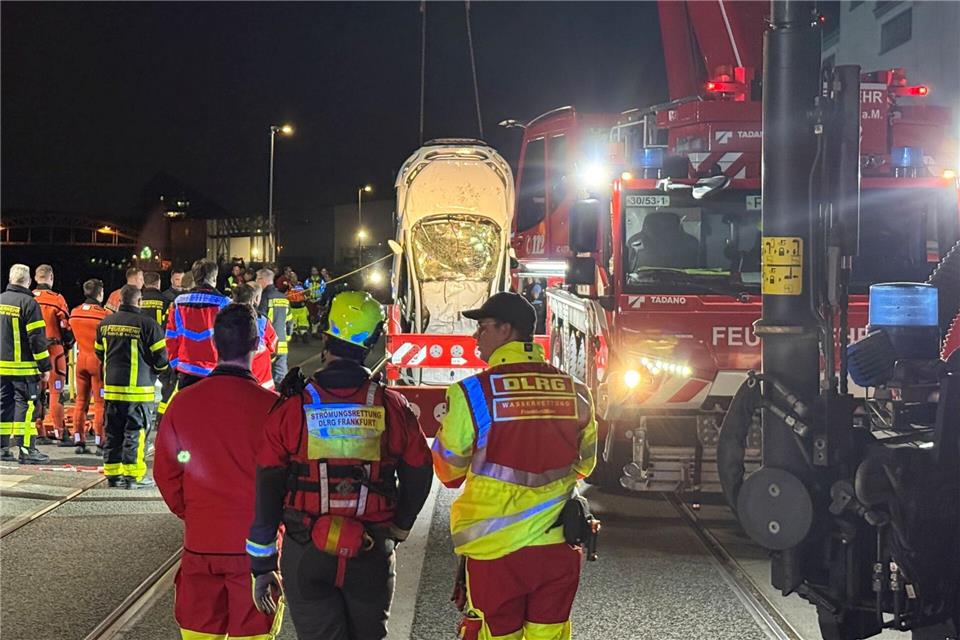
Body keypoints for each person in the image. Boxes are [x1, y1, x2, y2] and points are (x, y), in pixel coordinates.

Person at [247, 290, 433, 640]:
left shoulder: (292, 409)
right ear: (373, 340)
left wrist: (262, 565)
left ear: (326, 334)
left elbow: (267, 485)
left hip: (306, 551)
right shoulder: (394, 408)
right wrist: (399, 529)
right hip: (370, 549)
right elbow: (420, 471)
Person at [432, 291, 597, 640]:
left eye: (483, 327)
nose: (476, 336)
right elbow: (585, 465)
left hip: (495, 550)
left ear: (506, 330)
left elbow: (448, 473)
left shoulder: (471, 393)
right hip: (557, 546)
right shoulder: (575, 391)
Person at [155, 304, 283, 640]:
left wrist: (197, 513)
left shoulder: (181, 404)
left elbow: (166, 474)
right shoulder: (274, 408)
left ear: (214, 343)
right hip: (256, 552)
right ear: (257, 346)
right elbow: (292, 480)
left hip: (201, 545)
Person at [97, 285, 168, 488]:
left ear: (119, 302)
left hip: (112, 389)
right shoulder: (148, 325)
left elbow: (99, 352)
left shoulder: (105, 324)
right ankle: (134, 476)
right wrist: (156, 371)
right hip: (139, 391)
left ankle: (113, 474)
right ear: (139, 302)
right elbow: (162, 360)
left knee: (113, 431)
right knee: (136, 432)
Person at [1, 264, 52, 464]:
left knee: (3, 406)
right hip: (23, 369)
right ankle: (26, 449)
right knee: (26, 407)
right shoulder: (29, 304)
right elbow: (37, 339)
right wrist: (45, 366)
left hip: (1, 368)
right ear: (28, 281)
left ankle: (3, 448)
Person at [165, 259, 230, 389]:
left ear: (194, 278)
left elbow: (171, 338)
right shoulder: (225, 304)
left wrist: (176, 366)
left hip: (186, 372)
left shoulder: (178, 303)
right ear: (214, 278)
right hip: (216, 372)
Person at [32, 264, 74, 445]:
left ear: (35, 278)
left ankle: (38, 432)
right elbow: (66, 327)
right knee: (56, 392)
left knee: (36, 393)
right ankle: (60, 432)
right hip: (54, 352)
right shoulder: (57, 300)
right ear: (51, 278)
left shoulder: (28, 298)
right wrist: (68, 344)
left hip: (32, 352)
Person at [69, 279, 110, 454]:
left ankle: (78, 439)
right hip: (98, 363)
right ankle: (100, 441)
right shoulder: (104, 315)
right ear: (100, 294)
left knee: (80, 401)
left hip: (81, 361)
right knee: (100, 403)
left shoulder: (75, 312)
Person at [233, 282, 278, 389]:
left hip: (236, 378)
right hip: (261, 380)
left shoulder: (224, 319)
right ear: (253, 299)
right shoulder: (262, 321)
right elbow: (274, 346)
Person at [256, 268, 289, 385]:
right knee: (281, 377)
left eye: (257, 278)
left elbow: (260, 320)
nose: (256, 281)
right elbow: (289, 320)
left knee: (265, 378)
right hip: (282, 342)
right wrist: (287, 337)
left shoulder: (264, 297)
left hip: (268, 342)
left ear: (262, 279)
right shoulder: (283, 297)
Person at [286, 272, 310, 343]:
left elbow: (308, 293)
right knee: (293, 324)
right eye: (292, 277)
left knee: (303, 323)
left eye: (295, 276)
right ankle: (294, 335)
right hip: (292, 307)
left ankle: (304, 334)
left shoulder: (301, 285)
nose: (294, 278)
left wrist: (307, 294)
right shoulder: (287, 286)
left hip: (301, 307)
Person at [304, 266, 327, 337]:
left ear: (317, 272)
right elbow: (305, 290)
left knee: (318, 316)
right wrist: (307, 298)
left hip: (318, 300)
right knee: (310, 315)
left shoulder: (321, 281)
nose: (314, 272)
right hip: (310, 301)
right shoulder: (308, 280)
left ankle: (316, 331)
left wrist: (321, 299)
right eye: (312, 270)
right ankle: (310, 330)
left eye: (315, 270)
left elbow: (323, 291)